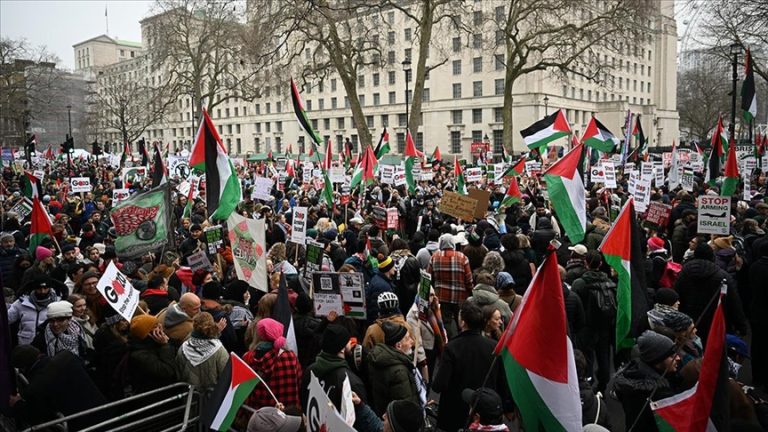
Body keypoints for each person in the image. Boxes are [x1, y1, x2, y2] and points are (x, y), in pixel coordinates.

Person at [432, 301, 502, 432]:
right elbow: (501, 380)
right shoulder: (493, 347)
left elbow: (439, 385)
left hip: (454, 412)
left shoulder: (452, 348)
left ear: (463, 322)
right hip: (483, 410)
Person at [675, 243, 748, 345]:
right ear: (712, 256)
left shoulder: (684, 272)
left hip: (689, 323)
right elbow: (734, 302)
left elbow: (676, 294)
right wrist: (741, 326)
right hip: (715, 323)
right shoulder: (723, 276)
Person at [614, 331, 681, 432]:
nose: (678, 358)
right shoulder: (659, 394)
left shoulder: (631, 376)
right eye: (671, 356)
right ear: (657, 359)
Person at [241, 318, 302, 422]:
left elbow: (244, 389)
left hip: (261, 417)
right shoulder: (291, 356)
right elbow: (299, 381)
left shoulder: (250, 358)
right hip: (288, 417)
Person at [367, 321, 425, 415]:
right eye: (407, 338)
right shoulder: (399, 372)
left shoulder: (383, 359)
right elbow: (406, 406)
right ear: (398, 346)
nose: (412, 341)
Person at [427, 233, 473, 339]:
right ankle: (462, 338)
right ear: (453, 243)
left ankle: (450, 340)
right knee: (461, 319)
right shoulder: (463, 257)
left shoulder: (434, 257)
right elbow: (469, 279)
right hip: (460, 297)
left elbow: (428, 277)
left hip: (441, 296)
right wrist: (470, 291)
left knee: (445, 321)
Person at [127, 313, 177, 393]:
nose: (160, 327)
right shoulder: (139, 355)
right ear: (148, 334)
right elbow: (166, 371)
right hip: (158, 394)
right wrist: (165, 345)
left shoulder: (154, 342)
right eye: (155, 326)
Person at [176, 312, 229, 388]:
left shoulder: (183, 347)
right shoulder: (219, 349)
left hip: (190, 395)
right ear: (212, 325)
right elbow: (225, 375)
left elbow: (178, 372)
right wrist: (215, 331)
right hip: (211, 395)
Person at [8, 277, 59, 345]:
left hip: (48, 345)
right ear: (34, 289)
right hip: (26, 345)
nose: (42, 291)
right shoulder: (22, 302)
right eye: (39, 289)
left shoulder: (57, 303)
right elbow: (7, 318)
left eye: (45, 288)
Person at [367, 255, 397, 320]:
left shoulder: (380, 279)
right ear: (388, 268)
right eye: (393, 266)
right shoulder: (381, 287)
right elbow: (375, 309)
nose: (395, 268)